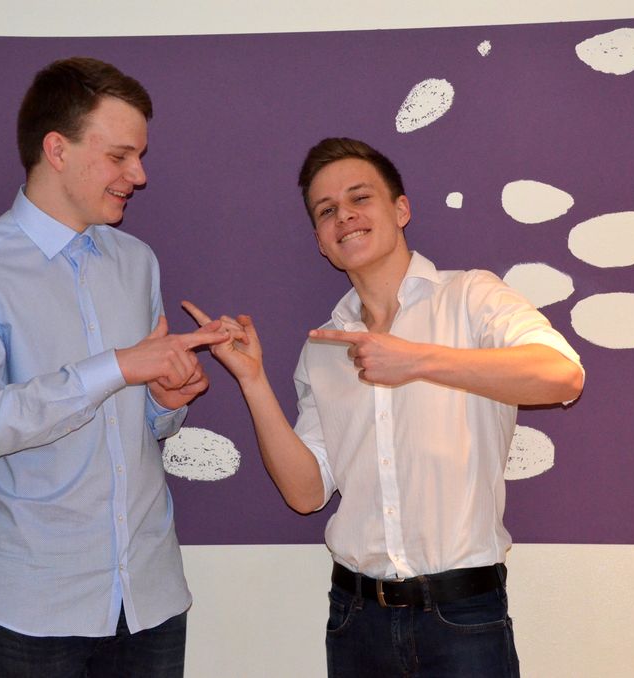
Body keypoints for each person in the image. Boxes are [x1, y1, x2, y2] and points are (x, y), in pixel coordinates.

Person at [184, 137, 584, 677]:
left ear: (401, 209)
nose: (344, 216)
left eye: (360, 198)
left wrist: (417, 360)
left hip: (464, 613)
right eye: (327, 211)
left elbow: (562, 375)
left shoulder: (471, 296)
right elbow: (306, 493)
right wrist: (252, 380)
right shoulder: (323, 349)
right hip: (356, 619)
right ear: (322, 242)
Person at [0, 57, 228, 677]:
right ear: (57, 149)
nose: (138, 175)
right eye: (120, 156)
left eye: (139, 156)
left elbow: (141, 426)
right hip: (26, 611)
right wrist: (116, 366)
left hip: (149, 601)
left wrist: (165, 402)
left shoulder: (137, 261)